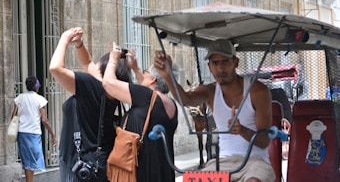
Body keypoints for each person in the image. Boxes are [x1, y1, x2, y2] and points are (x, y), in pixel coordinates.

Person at [154, 39, 275, 182]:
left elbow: (264, 141)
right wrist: (168, 76)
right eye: (215, 63)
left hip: (255, 161)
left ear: (235, 62)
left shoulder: (258, 91)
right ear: (209, 66)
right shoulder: (210, 91)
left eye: (225, 62)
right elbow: (186, 99)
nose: (220, 69)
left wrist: (242, 130)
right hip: (222, 162)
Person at [49, 28, 132, 182]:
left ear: (104, 68)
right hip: (98, 161)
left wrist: (64, 39)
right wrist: (79, 44)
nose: (95, 64)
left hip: (79, 162)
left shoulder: (90, 85)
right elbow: (88, 63)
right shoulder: (112, 90)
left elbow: (55, 68)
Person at [102, 43, 179, 182]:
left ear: (153, 79)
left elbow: (108, 83)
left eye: (146, 73)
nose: (142, 75)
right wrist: (136, 68)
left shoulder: (146, 97)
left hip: (142, 174)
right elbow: (144, 89)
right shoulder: (171, 104)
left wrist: (113, 58)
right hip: (164, 174)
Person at [13, 76, 57, 182]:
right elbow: (45, 120)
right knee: (33, 160)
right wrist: (52, 134)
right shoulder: (40, 99)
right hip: (34, 133)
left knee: (28, 161)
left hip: (22, 133)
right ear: (37, 86)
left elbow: (13, 116)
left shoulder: (20, 98)